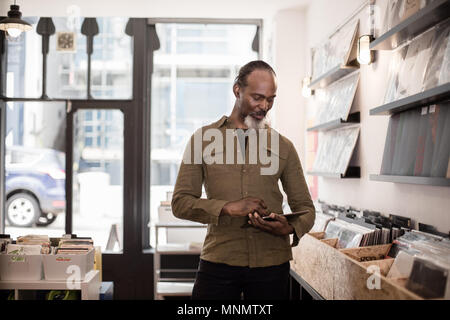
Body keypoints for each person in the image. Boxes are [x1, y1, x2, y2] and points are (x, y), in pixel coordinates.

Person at [171, 60, 315, 300]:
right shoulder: (203, 139)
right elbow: (180, 202)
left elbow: (306, 209)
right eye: (257, 97)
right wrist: (227, 208)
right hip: (218, 261)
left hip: (272, 265)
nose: (264, 106)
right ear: (237, 90)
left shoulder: (284, 146)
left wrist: (289, 227)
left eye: (271, 99)